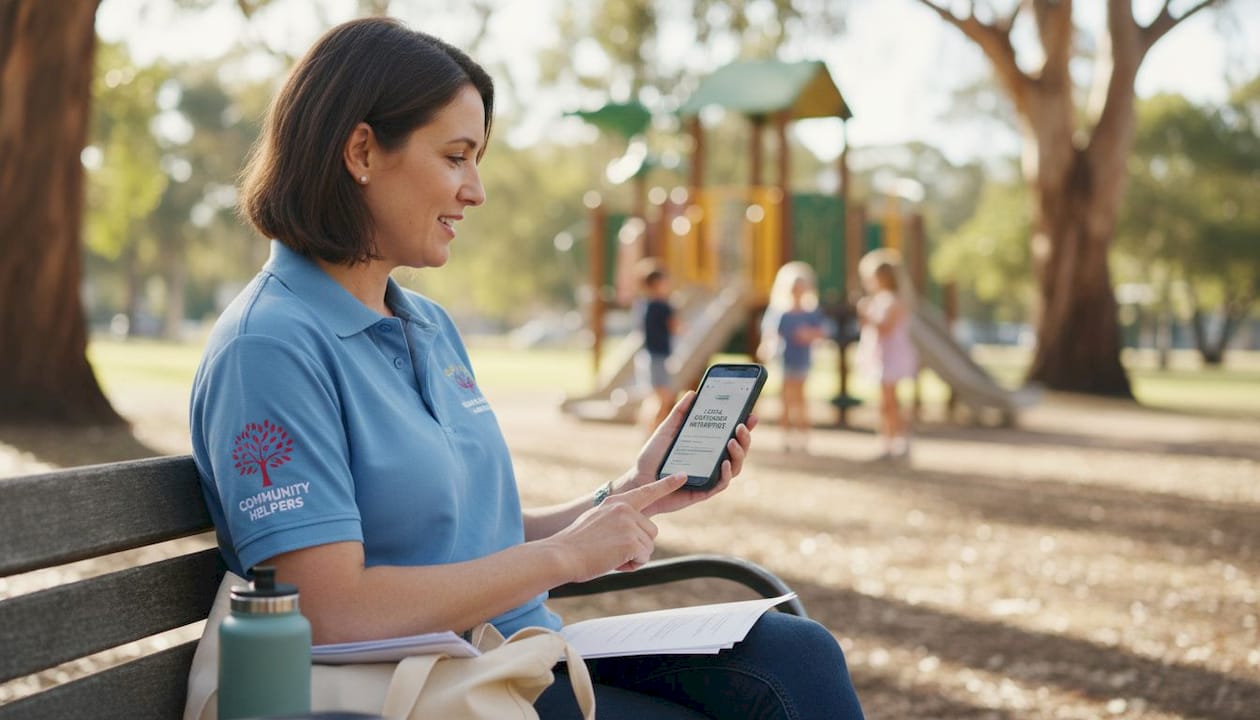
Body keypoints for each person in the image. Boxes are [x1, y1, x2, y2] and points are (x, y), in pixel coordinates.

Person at [189, 17, 864, 720]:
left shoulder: (426, 325)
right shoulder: (269, 347)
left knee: (797, 654)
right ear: (361, 150)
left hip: (513, 654)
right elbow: (327, 610)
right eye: (456, 157)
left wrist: (627, 493)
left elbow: (478, 535)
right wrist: (565, 557)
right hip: (421, 684)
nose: (475, 190)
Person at [758, 262, 829, 453]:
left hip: (802, 359)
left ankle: (803, 435)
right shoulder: (781, 313)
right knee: (786, 398)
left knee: (800, 397)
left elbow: (821, 331)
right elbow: (771, 333)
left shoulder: (811, 312)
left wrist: (808, 335)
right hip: (785, 359)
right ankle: (786, 435)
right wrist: (768, 346)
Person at [855, 249, 918, 460]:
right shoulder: (880, 300)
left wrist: (866, 313)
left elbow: (885, 327)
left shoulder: (892, 300)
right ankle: (887, 441)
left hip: (892, 357)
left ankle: (899, 439)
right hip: (881, 356)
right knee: (885, 402)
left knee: (891, 402)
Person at [635, 259, 678, 432]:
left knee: (654, 395)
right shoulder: (662, 305)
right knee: (664, 397)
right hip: (658, 355)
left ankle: (647, 427)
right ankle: (655, 429)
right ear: (657, 284)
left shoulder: (643, 304)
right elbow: (674, 326)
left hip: (648, 354)